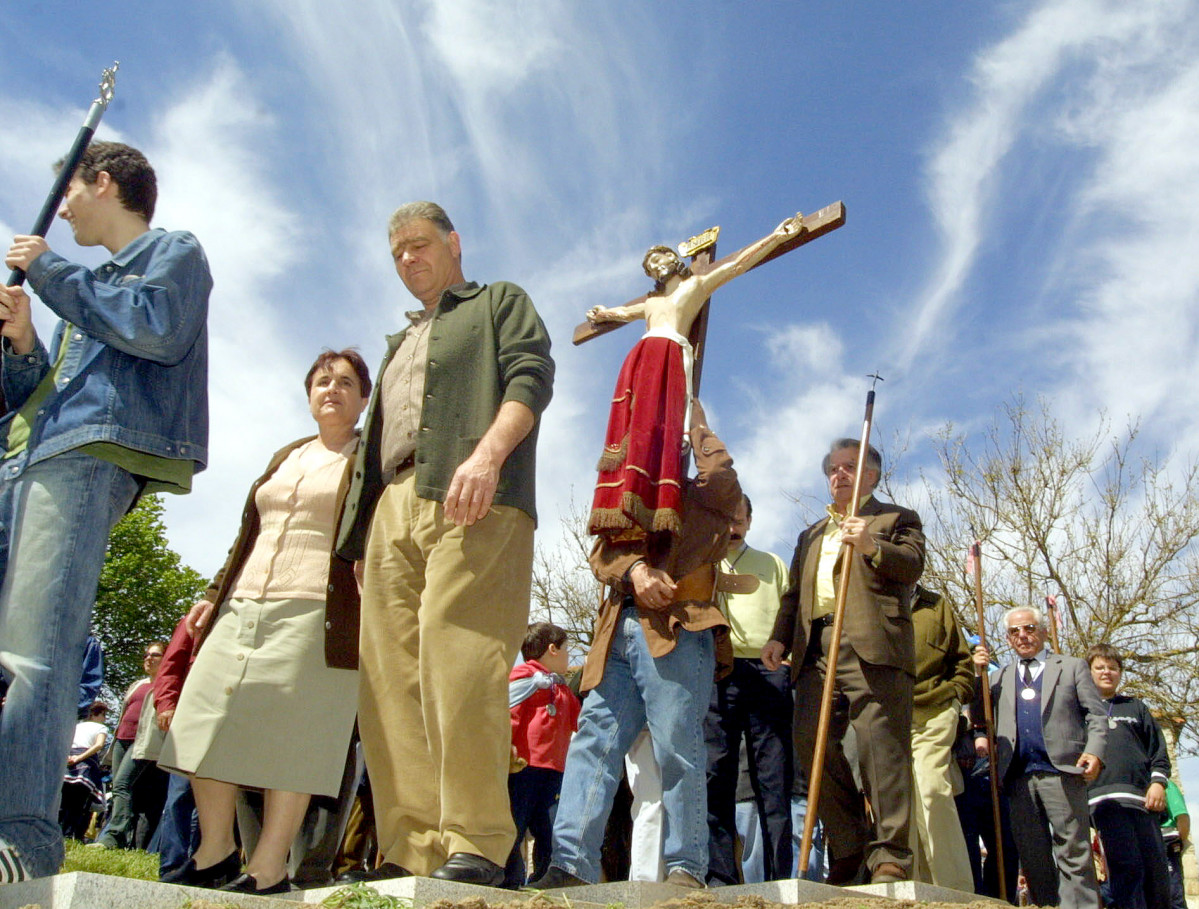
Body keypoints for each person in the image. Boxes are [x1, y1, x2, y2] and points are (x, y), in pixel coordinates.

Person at [0, 140, 211, 882]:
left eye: (68, 190)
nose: (59, 208)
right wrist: (24, 344)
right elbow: (40, 397)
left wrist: (50, 273)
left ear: (104, 182)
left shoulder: (172, 254)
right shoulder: (78, 293)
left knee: (35, 653)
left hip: (87, 461)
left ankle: (21, 841)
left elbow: (155, 327)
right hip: (25, 459)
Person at [335, 201, 554, 887]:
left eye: (420, 244)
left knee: (456, 655)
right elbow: (372, 446)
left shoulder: (497, 301)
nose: (408, 259)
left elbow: (531, 377)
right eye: (397, 252)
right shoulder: (398, 343)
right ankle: (411, 846)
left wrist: (488, 455)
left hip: (474, 492)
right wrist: (360, 537)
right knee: (389, 679)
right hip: (391, 509)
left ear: (454, 243)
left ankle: (479, 840)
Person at [157, 349, 371, 895]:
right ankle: (216, 850)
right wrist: (214, 592)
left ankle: (270, 867)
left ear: (365, 399)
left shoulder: (371, 457)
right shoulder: (286, 455)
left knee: (293, 739)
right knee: (204, 720)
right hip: (243, 602)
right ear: (307, 395)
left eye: (346, 383)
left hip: (316, 610)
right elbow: (246, 531)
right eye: (322, 381)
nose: (332, 389)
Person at [532, 402, 741, 890]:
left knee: (678, 747)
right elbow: (603, 554)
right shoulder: (627, 494)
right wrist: (635, 571)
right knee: (592, 745)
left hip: (678, 629)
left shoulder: (706, 497)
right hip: (617, 632)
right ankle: (570, 864)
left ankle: (687, 867)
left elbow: (721, 473)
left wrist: (696, 419)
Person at [762, 438, 924, 885]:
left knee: (881, 749)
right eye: (833, 468)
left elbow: (910, 565)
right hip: (814, 649)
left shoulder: (896, 518)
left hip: (872, 645)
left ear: (871, 475)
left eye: (850, 467)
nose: (839, 475)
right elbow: (795, 593)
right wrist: (780, 637)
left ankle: (890, 856)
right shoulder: (810, 534)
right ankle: (849, 851)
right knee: (814, 746)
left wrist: (872, 543)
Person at [586, 216, 802, 539]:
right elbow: (618, 313)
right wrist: (603, 313)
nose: (655, 267)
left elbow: (737, 265)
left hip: (669, 359)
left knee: (666, 426)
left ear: (673, 259)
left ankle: (658, 494)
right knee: (637, 428)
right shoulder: (650, 302)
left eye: (658, 259)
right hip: (641, 361)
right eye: (649, 266)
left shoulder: (694, 287)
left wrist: (775, 237)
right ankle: (631, 490)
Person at [973, 607, 1107, 909]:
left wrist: (1095, 750)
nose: (1023, 636)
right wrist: (976, 672)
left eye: (1030, 628)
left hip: (1062, 771)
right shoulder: (996, 677)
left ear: (1044, 632)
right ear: (1007, 639)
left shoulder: (1071, 667)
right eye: (1014, 631)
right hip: (1018, 778)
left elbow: (1097, 715)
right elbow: (979, 715)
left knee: (1073, 852)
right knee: (1032, 857)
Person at [705, 494, 794, 885]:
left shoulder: (772, 563)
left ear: (750, 522)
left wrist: (787, 653)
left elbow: (790, 613)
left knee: (773, 779)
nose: (734, 527)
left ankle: (778, 876)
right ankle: (721, 876)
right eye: (728, 519)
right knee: (716, 774)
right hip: (717, 672)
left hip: (767, 671)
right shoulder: (700, 561)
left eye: (740, 519)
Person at [1085, 643, 1171, 909]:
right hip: (1105, 801)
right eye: (1099, 668)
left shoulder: (1136, 707)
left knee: (1156, 872)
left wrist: (1157, 783)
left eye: (1112, 668)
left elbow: (1158, 752)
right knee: (1127, 866)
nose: (1106, 672)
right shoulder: (1079, 711)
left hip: (1142, 802)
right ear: (1088, 672)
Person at [907, 585, 974, 890]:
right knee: (904, 802)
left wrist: (955, 697)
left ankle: (954, 889)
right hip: (888, 714)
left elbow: (963, 662)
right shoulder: (870, 597)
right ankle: (917, 887)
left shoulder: (936, 605)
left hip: (935, 708)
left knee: (932, 789)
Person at [505, 622, 581, 888]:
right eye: (566, 649)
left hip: (555, 770)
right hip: (523, 767)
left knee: (550, 827)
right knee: (515, 824)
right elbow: (511, 716)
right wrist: (508, 746)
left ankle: (543, 876)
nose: (569, 656)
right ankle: (509, 878)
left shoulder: (563, 689)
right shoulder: (523, 679)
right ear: (553, 649)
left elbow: (579, 722)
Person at [95, 640, 169, 849]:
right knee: (127, 791)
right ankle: (129, 842)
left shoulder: (167, 685)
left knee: (121, 785)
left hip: (144, 742)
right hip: (122, 740)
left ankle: (113, 836)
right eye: (146, 655)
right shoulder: (137, 684)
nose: (148, 659)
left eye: (154, 655)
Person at [59, 701, 109, 841]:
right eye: (103, 715)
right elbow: (99, 745)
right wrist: (80, 757)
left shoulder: (76, 725)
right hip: (85, 763)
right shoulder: (101, 728)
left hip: (68, 760)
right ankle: (69, 835)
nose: (104, 719)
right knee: (78, 804)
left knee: (63, 802)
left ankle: (58, 833)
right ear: (96, 714)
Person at [1160, 780, 1190, 909]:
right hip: (1151, 842)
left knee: (1173, 893)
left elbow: (1181, 816)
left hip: (1166, 841)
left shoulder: (1165, 785)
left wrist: (1179, 842)